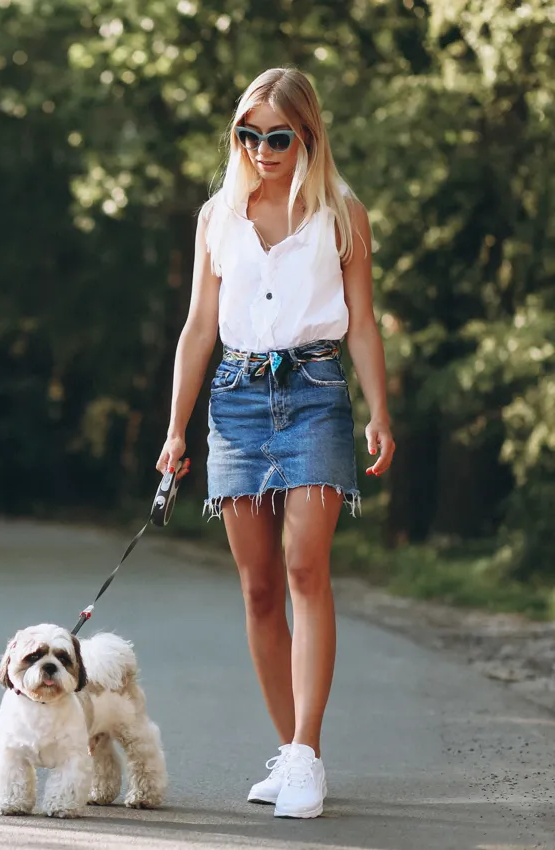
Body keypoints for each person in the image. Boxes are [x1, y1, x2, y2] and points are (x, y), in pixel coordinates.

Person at [156, 67, 396, 819]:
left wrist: (379, 413)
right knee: (258, 588)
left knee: (303, 568)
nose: (262, 149)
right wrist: (175, 427)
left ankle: (304, 753)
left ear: (308, 136)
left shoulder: (342, 215)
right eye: (248, 134)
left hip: (317, 395)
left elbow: (361, 321)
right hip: (233, 401)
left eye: (278, 136)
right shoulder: (217, 217)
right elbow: (199, 326)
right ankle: (293, 753)